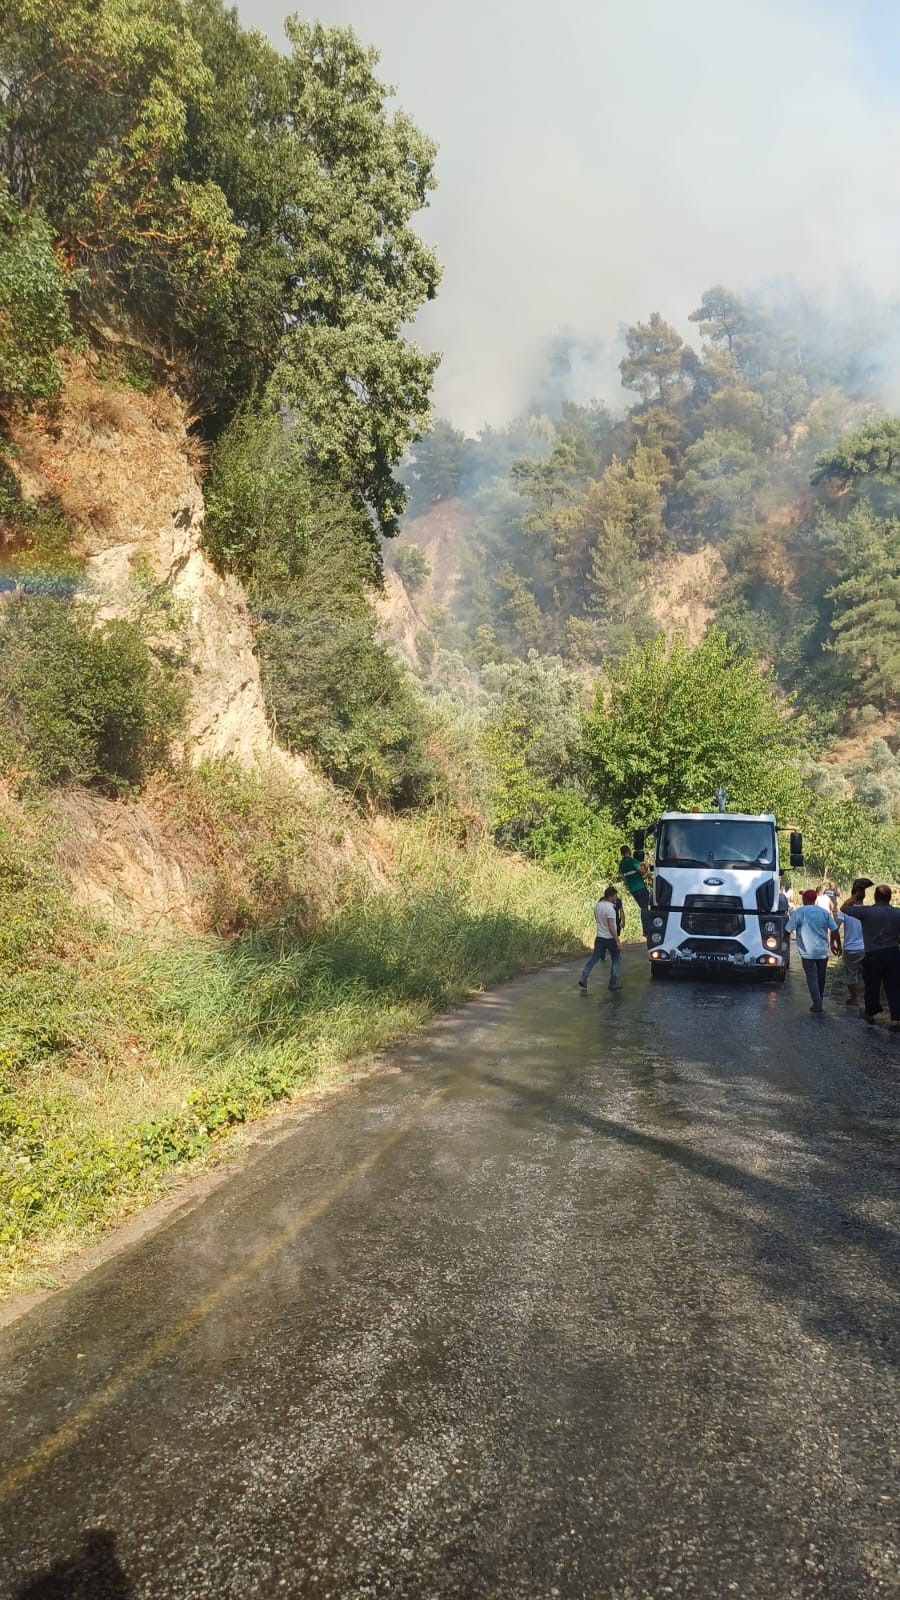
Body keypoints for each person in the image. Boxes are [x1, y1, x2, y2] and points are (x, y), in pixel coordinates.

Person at [842, 885, 900, 1030]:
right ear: (890, 898)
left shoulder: (866, 912)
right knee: (893, 986)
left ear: (875, 897)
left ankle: (871, 1013)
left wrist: (856, 894)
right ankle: (895, 1019)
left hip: (873, 954)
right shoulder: (897, 913)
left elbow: (844, 908)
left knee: (872, 985)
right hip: (893, 953)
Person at [785, 888, 839, 1013]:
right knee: (821, 978)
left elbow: (787, 930)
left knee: (812, 978)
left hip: (807, 952)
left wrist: (783, 942)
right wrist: (837, 944)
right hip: (822, 951)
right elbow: (835, 929)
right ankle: (819, 999)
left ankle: (817, 1003)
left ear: (804, 899)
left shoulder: (799, 912)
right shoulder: (824, 913)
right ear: (815, 899)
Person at [833, 878, 873, 1009]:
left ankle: (854, 998)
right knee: (868, 975)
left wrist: (836, 943)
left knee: (851, 975)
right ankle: (868, 999)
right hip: (865, 948)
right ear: (864, 896)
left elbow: (835, 928)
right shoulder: (868, 911)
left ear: (852, 894)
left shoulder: (845, 911)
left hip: (850, 949)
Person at [579, 886, 622, 992]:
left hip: (599, 937)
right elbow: (611, 926)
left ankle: (584, 976)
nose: (616, 898)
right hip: (610, 938)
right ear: (611, 897)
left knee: (594, 958)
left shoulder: (598, 906)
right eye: (615, 896)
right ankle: (613, 982)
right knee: (616, 959)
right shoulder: (610, 909)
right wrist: (617, 941)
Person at [619, 844, 650, 934]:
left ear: (621, 853)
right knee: (645, 908)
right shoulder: (632, 860)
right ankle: (646, 930)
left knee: (642, 907)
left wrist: (639, 863)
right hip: (640, 887)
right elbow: (642, 872)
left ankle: (647, 927)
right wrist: (646, 866)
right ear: (629, 851)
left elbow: (632, 867)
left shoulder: (622, 864)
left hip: (632, 889)